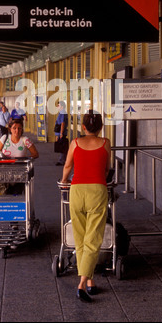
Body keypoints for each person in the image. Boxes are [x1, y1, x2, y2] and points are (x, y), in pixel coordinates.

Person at [61, 111, 111, 303]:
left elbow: (67, 166)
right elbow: (107, 169)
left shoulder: (74, 143)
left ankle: (90, 282)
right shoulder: (106, 143)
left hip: (77, 191)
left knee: (80, 238)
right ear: (100, 127)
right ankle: (82, 284)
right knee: (93, 238)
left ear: (83, 127)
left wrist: (64, 181)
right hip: (97, 192)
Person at [0, 118, 39, 195]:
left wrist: (23, 159)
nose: (17, 131)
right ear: (10, 129)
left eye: (19, 128)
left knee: (16, 194)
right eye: (14, 128)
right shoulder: (4, 138)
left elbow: (35, 154)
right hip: (5, 173)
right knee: (5, 194)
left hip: (20, 174)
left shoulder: (25, 140)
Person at [54, 101, 68, 166]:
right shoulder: (61, 112)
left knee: (62, 147)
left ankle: (62, 160)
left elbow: (62, 123)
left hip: (61, 132)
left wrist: (61, 133)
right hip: (59, 132)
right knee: (62, 147)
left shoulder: (62, 112)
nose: (57, 107)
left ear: (62, 107)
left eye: (58, 105)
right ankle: (64, 159)